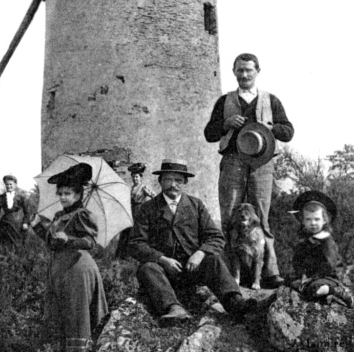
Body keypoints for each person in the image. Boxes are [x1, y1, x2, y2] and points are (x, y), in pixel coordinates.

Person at [130, 159, 259, 325]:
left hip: (194, 269)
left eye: (178, 180)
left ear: (185, 182)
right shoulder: (148, 208)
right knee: (147, 268)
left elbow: (216, 237)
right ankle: (173, 308)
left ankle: (234, 302)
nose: (173, 185)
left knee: (213, 260)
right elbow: (135, 244)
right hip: (164, 272)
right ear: (160, 181)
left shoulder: (195, 205)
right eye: (168, 179)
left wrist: (200, 253)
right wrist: (162, 259)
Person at [204, 53, 294, 289]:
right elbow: (209, 134)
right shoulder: (224, 102)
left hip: (263, 164)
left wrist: (271, 128)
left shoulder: (271, 100)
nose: (244, 75)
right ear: (234, 72)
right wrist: (225, 125)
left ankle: (270, 273)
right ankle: (225, 273)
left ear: (257, 71)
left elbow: (289, 131)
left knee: (261, 218)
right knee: (229, 217)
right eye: (240, 70)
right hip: (233, 161)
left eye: (249, 70)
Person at [31, 163, 108, 352]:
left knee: (77, 315)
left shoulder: (83, 215)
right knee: (59, 314)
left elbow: (90, 242)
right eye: (60, 193)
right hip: (61, 269)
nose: (63, 197)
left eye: (67, 193)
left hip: (78, 269)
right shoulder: (59, 215)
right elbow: (52, 243)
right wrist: (38, 227)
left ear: (78, 195)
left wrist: (70, 240)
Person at [286, 190, 353, 307]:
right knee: (288, 280)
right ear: (303, 221)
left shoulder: (326, 241)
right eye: (308, 219)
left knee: (315, 289)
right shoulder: (305, 241)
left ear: (324, 220)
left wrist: (312, 277)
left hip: (327, 276)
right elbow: (297, 260)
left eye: (316, 219)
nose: (312, 223)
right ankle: (309, 287)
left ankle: (336, 291)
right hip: (309, 276)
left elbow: (329, 264)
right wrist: (301, 273)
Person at [115, 163, 156, 258]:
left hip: (140, 212)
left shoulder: (144, 187)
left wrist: (149, 204)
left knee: (136, 233)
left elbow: (155, 197)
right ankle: (122, 255)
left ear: (140, 177)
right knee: (126, 232)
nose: (135, 179)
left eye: (137, 177)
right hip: (131, 212)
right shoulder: (132, 188)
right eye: (133, 177)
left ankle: (136, 255)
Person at [0, 174, 31, 245]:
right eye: (7, 184)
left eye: (11, 184)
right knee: (3, 244)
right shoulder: (1, 198)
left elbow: (27, 212)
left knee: (18, 244)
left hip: (18, 224)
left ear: (15, 185)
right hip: (5, 223)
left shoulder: (21, 197)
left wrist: (25, 222)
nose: (9, 186)